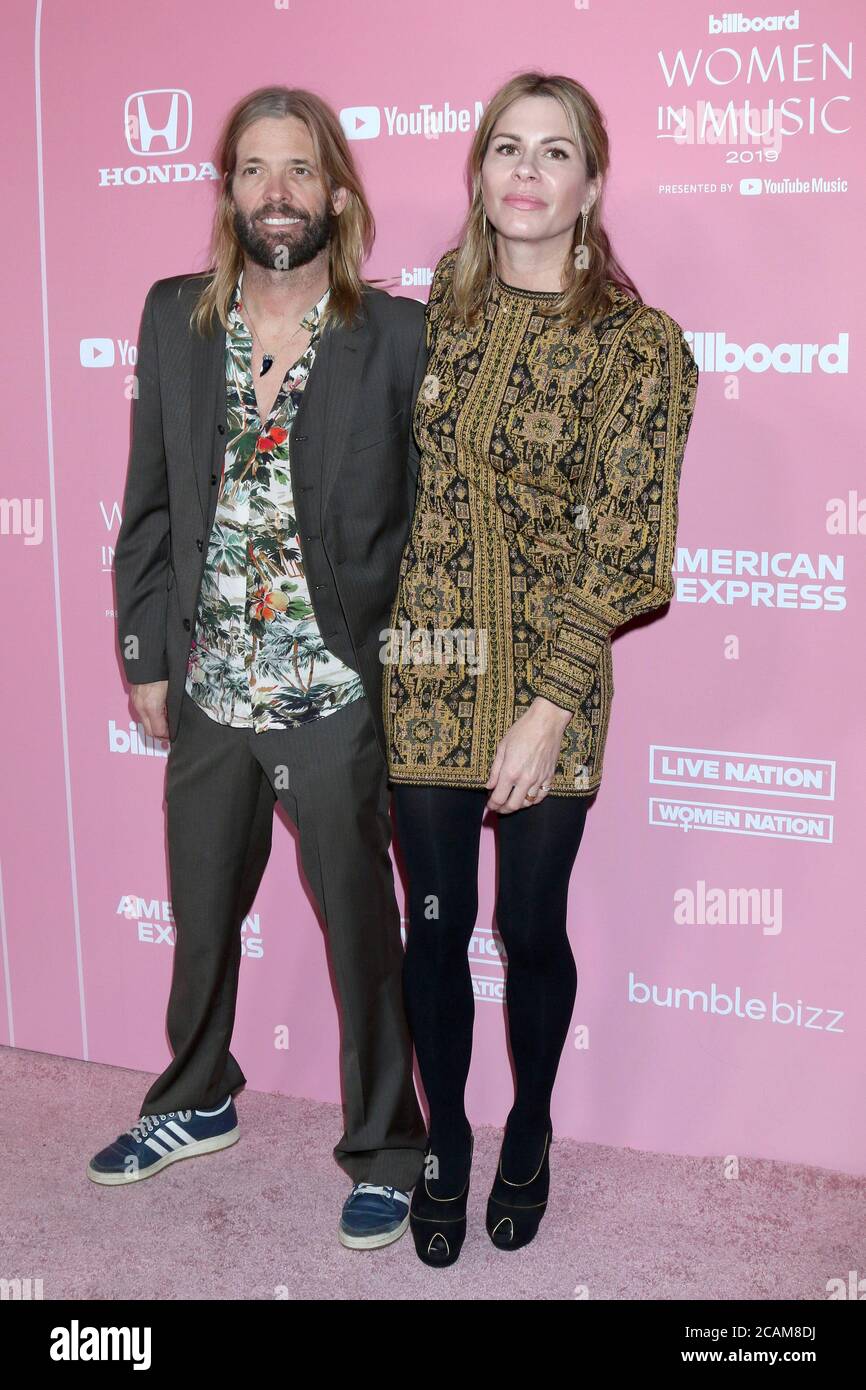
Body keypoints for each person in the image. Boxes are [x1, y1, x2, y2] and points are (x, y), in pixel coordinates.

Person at [90, 86, 430, 1252]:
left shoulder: (394, 336)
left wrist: (414, 676)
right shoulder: (173, 316)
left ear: (336, 191)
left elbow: (429, 526)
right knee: (198, 916)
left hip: (333, 689)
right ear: (227, 192)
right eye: (251, 172)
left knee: (357, 931)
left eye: (297, 172)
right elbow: (147, 501)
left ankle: (388, 1142)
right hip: (212, 683)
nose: (274, 194)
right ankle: (195, 1098)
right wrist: (146, 651)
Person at [382, 71, 700, 1265]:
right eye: (505, 148)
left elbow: (630, 548)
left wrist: (548, 705)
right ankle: (446, 1147)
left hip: (550, 677)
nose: (525, 170)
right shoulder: (433, 324)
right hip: (424, 659)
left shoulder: (639, 343)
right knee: (431, 925)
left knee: (526, 924)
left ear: (590, 185)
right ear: (479, 177)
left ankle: (527, 1130)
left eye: (553, 152)